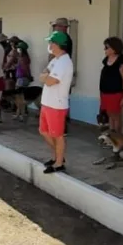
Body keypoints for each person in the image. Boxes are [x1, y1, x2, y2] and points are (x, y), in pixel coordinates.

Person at [40, 31, 74, 174]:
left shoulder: (65, 62)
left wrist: (45, 77)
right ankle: (59, 156)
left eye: (51, 43)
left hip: (57, 104)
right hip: (47, 102)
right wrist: (45, 77)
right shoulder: (55, 60)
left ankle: (59, 162)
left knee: (57, 134)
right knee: (44, 131)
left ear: (58, 45)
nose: (49, 45)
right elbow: (44, 74)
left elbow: (50, 80)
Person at [100, 37, 123, 133]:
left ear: (114, 49)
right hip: (105, 92)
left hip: (115, 93)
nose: (105, 49)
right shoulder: (106, 60)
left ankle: (118, 136)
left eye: (107, 47)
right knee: (109, 114)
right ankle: (111, 135)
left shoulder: (121, 63)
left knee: (115, 115)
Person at [50, 17, 74, 135]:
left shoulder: (65, 41)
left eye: (57, 26)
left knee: (61, 100)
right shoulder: (65, 39)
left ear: (63, 27)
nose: (55, 28)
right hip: (58, 72)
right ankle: (61, 126)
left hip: (61, 74)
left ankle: (62, 128)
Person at [13, 41, 32, 122]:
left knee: (20, 99)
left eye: (18, 48)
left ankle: (21, 115)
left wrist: (28, 76)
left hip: (21, 79)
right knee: (21, 99)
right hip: (24, 78)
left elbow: (24, 69)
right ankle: (19, 114)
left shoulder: (22, 58)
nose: (17, 49)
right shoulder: (24, 57)